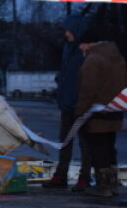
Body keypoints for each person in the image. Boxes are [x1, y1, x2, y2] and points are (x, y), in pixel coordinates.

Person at [44, 14, 92, 190]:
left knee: (85, 142)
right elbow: (66, 72)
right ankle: (60, 175)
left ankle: (84, 178)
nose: (66, 34)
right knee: (64, 141)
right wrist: (60, 81)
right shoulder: (68, 48)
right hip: (67, 103)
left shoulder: (86, 49)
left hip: (82, 104)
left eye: (68, 30)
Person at [75, 38, 126, 198]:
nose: (80, 47)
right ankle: (111, 184)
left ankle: (102, 186)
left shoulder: (93, 59)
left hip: (95, 113)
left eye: (82, 43)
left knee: (97, 149)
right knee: (109, 148)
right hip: (114, 109)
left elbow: (88, 89)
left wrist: (80, 112)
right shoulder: (117, 57)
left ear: (90, 43)